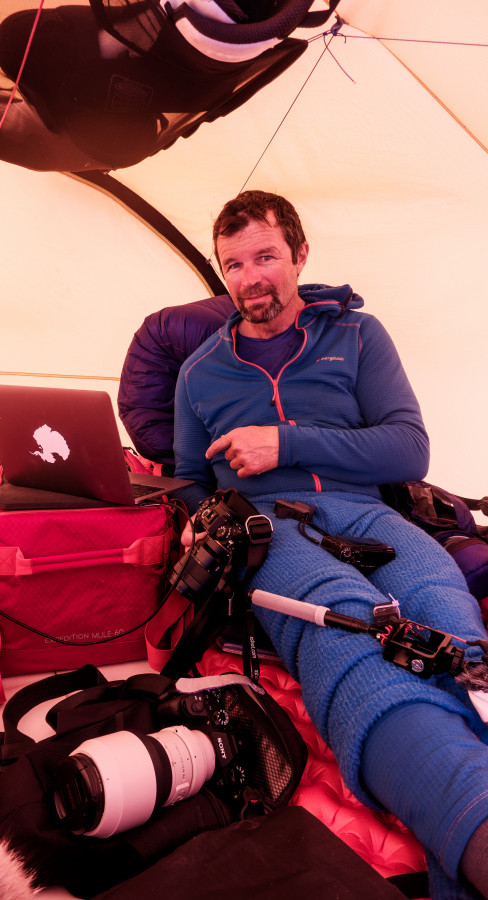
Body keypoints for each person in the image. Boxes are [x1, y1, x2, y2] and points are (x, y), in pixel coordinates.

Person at [172, 190, 488, 900]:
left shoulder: (358, 336)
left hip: (365, 511)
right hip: (267, 524)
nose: (251, 278)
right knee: (344, 619)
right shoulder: (199, 373)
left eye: (266, 256)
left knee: (444, 605)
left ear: (300, 255)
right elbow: (190, 477)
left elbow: (409, 448)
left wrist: (285, 440)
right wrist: (197, 515)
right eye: (234, 265)